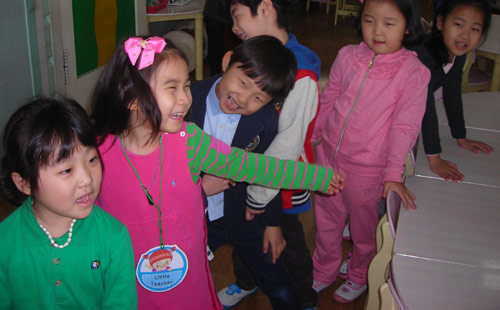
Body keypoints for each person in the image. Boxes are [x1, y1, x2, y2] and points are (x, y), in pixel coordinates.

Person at [90, 35, 344, 310]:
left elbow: (253, 166)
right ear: (132, 98)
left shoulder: (190, 142)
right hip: (125, 277)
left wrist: (315, 176)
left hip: (186, 274)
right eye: (171, 87)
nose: (185, 98)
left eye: (186, 85)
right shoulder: (95, 155)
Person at [311, 0, 430, 303]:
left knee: (364, 232)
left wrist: (393, 174)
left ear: (408, 26)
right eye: (369, 21)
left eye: (389, 24)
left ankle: (359, 274)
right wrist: (315, 135)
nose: (377, 31)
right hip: (329, 158)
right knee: (326, 221)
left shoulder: (412, 72)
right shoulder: (347, 56)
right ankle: (323, 270)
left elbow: (405, 127)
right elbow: (330, 95)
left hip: (367, 169)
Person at [218, 1, 323, 309]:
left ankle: (305, 300)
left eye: (238, 17)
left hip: (281, 180)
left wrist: (260, 195)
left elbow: (288, 145)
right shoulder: (251, 58)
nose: (235, 28)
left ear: (265, 7)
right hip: (247, 170)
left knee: (287, 246)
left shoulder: (301, 70)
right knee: (244, 233)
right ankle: (247, 282)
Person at [190, 35, 300, 309]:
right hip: (197, 216)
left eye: (258, 97)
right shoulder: (187, 99)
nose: (243, 99)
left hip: (246, 215)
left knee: (276, 279)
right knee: (186, 275)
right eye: (242, 83)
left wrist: (274, 223)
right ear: (228, 61)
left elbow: (269, 169)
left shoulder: (265, 119)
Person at [0, 97, 137, 310]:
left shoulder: (114, 236)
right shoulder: (5, 243)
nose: (87, 179)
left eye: (92, 160)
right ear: (24, 183)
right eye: (66, 170)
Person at [414, 0, 493, 182]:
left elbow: (452, 93)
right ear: (441, 23)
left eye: (475, 29)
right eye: (458, 24)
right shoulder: (424, 55)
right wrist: (434, 158)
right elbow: (425, 109)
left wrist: (461, 136)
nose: (465, 35)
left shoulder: (457, 53)